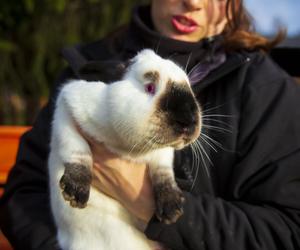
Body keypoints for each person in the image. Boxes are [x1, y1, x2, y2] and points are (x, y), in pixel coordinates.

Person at [1, 0, 300, 249]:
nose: (194, 3)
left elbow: (287, 230)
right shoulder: (87, 67)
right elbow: (24, 196)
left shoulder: (266, 90)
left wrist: (150, 202)